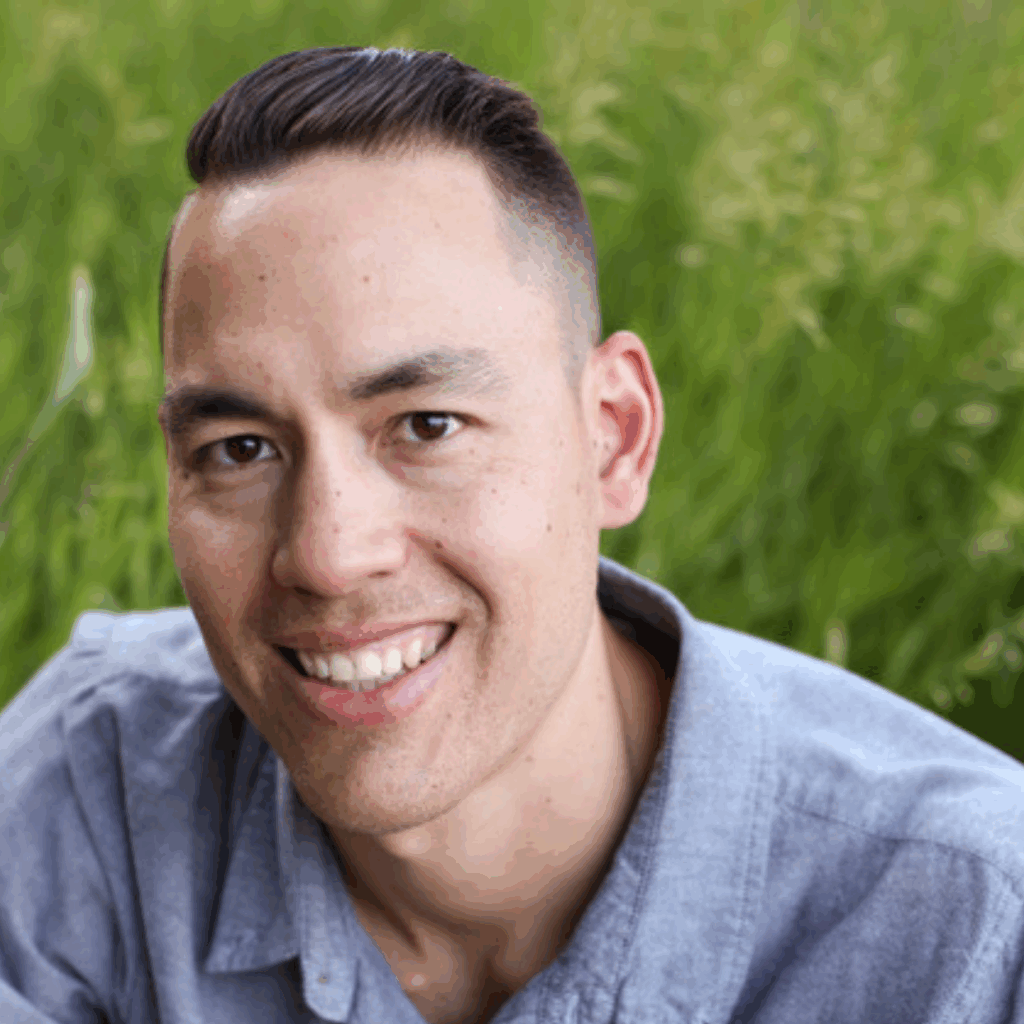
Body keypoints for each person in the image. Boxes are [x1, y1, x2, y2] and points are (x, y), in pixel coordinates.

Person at [2, 45, 1024, 1024]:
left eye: (427, 426)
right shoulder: (93, 787)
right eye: (239, 449)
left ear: (613, 437)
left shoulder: (974, 935)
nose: (327, 553)